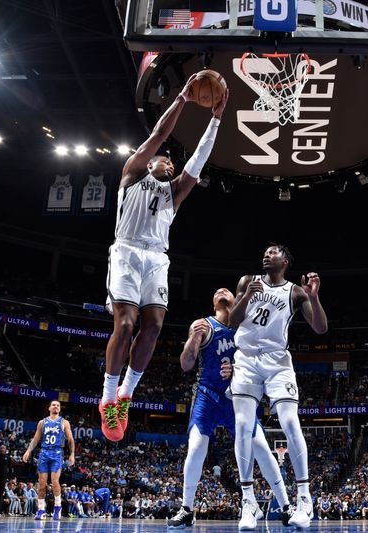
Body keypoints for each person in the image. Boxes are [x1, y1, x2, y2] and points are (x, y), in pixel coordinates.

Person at [99, 73, 229, 442]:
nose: (170, 164)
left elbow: (200, 159)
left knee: (153, 326)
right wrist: (183, 100)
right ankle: (108, 398)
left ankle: (126, 394)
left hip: (156, 258)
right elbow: (157, 135)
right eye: (165, 160)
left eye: (173, 164)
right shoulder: (133, 175)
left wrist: (217, 118)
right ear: (151, 162)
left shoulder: (175, 194)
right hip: (125, 250)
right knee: (125, 325)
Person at [167, 287, 292, 528]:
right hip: (208, 395)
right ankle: (186, 508)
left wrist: (239, 371)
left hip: (239, 397)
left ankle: (286, 506)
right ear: (213, 302)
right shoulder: (202, 325)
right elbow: (185, 364)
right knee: (195, 447)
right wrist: (193, 340)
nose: (222, 290)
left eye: (227, 290)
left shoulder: (247, 327)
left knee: (262, 448)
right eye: (216, 291)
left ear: (236, 301)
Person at [228, 244, 328, 529]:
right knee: (244, 425)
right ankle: (248, 502)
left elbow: (320, 328)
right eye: (265, 251)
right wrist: (246, 296)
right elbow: (234, 321)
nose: (266, 254)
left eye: (273, 252)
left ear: (285, 260)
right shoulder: (248, 281)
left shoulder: (295, 291)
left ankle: (305, 500)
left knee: (290, 422)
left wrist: (314, 297)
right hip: (246, 358)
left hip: (277, 361)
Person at [22, 400, 76, 520]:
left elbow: (71, 439)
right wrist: (28, 451)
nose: (56, 406)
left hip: (57, 453)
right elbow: (36, 439)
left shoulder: (64, 422)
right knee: (41, 484)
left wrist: (72, 454)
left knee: (55, 481)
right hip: (44, 453)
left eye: (58, 405)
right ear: (49, 408)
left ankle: (57, 507)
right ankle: (41, 510)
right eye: (53, 405)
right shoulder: (42, 422)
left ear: (60, 409)